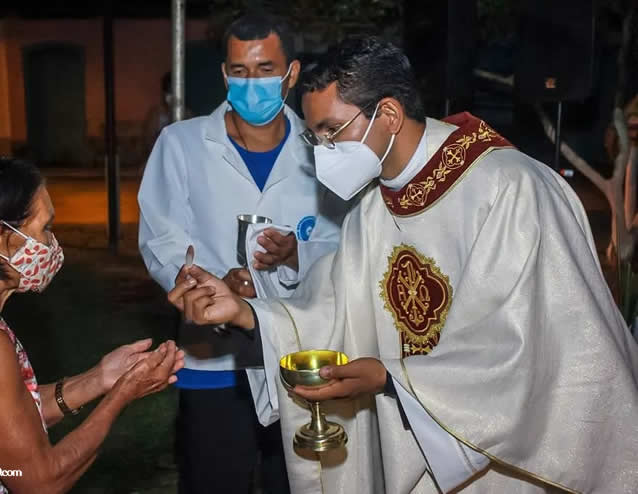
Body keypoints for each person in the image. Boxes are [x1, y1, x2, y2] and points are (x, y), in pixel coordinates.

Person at [168, 37, 638, 493]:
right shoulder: (372, 207)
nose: (322, 151)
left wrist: (393, 377)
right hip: (418, 447)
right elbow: (333, 312)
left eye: (332, 131)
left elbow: (534, 350)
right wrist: (246, 313)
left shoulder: (511, 189)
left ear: (387, 114)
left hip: (511, 463)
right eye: (314, 137)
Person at [138, 13, 347, 494]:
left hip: (296, 358)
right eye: (239, 70)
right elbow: (160, 239)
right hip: (213, 363)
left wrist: (296, 256)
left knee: (295, 483)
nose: (252, 84)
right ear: (225, 75)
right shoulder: (182, 145)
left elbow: (344, 245)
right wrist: (208, 286)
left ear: (292, 74)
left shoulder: (324, 152)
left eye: (266, 69)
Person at [0, 155, 184, 493]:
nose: (51, 243)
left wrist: (100, 379)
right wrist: (122, 396)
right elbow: (40, 481)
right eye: (44, 227)